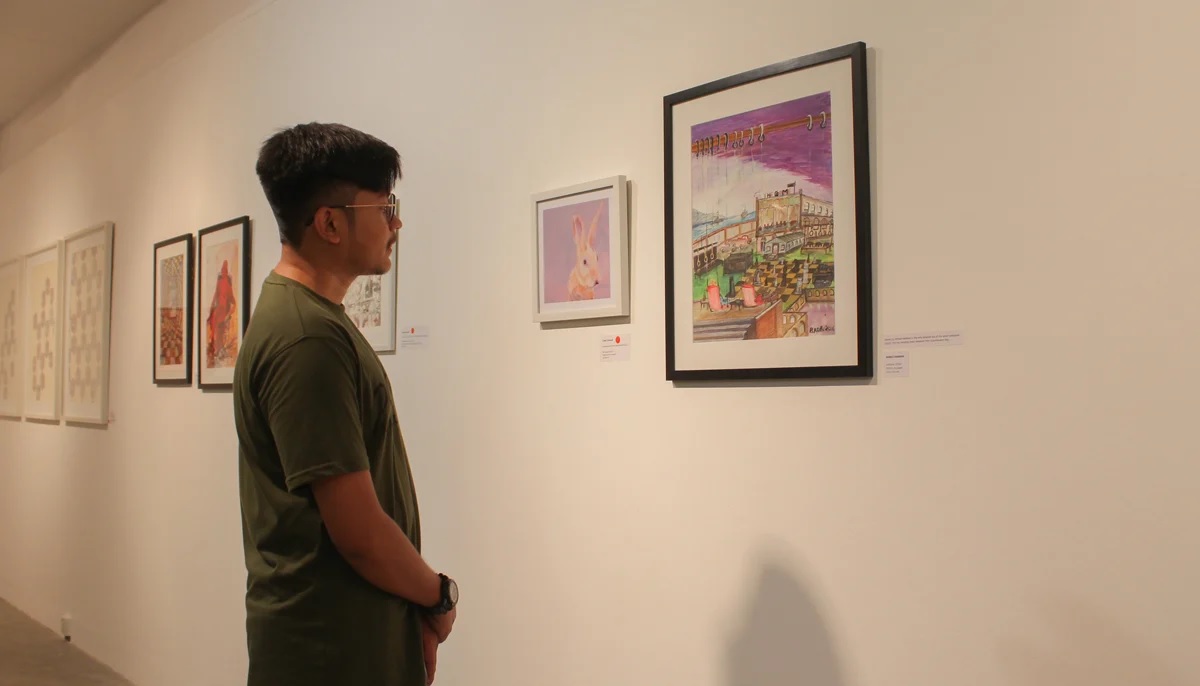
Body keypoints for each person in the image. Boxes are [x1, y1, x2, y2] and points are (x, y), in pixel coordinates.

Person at [233, 122, 458, 686]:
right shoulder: (307, 337)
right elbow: (356, 528)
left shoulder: (308, 320)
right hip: (329, 649)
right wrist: (437, 594)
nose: (396, 223)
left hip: (344, 636)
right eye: (384, 207)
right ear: (331, 223)